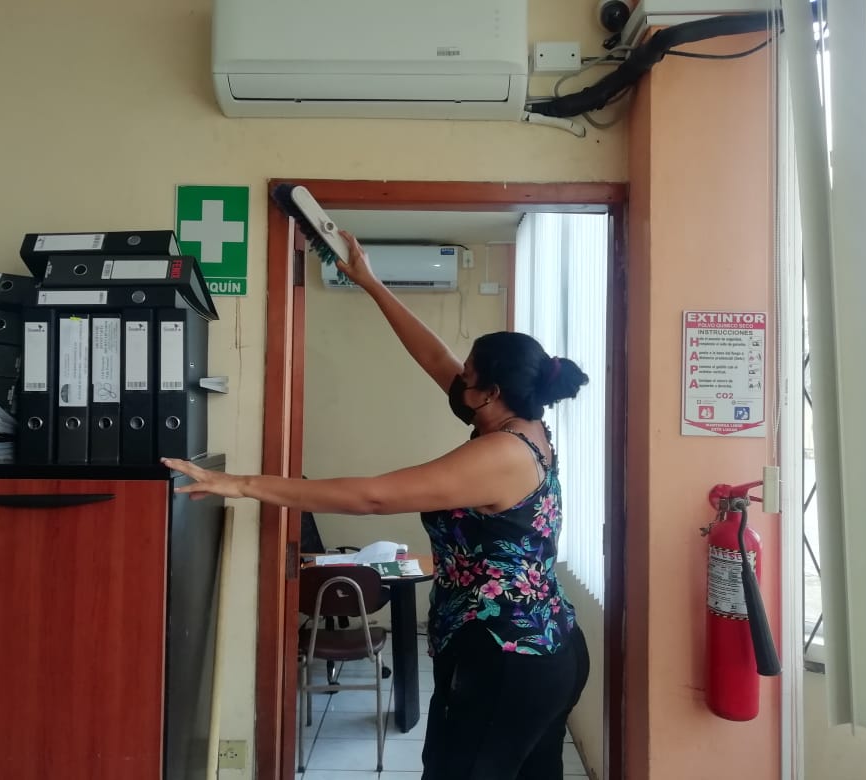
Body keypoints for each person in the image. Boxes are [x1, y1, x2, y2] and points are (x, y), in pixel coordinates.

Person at [162, 230, 591, 780]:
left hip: (509, 658)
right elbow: (434, 356)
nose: (457, 377)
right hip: (543, 646)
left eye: (468, 374)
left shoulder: (501, 455)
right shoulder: (526, 427)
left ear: (490, 392)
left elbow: (372, 496)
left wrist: (243, 484)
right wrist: (370, 282)